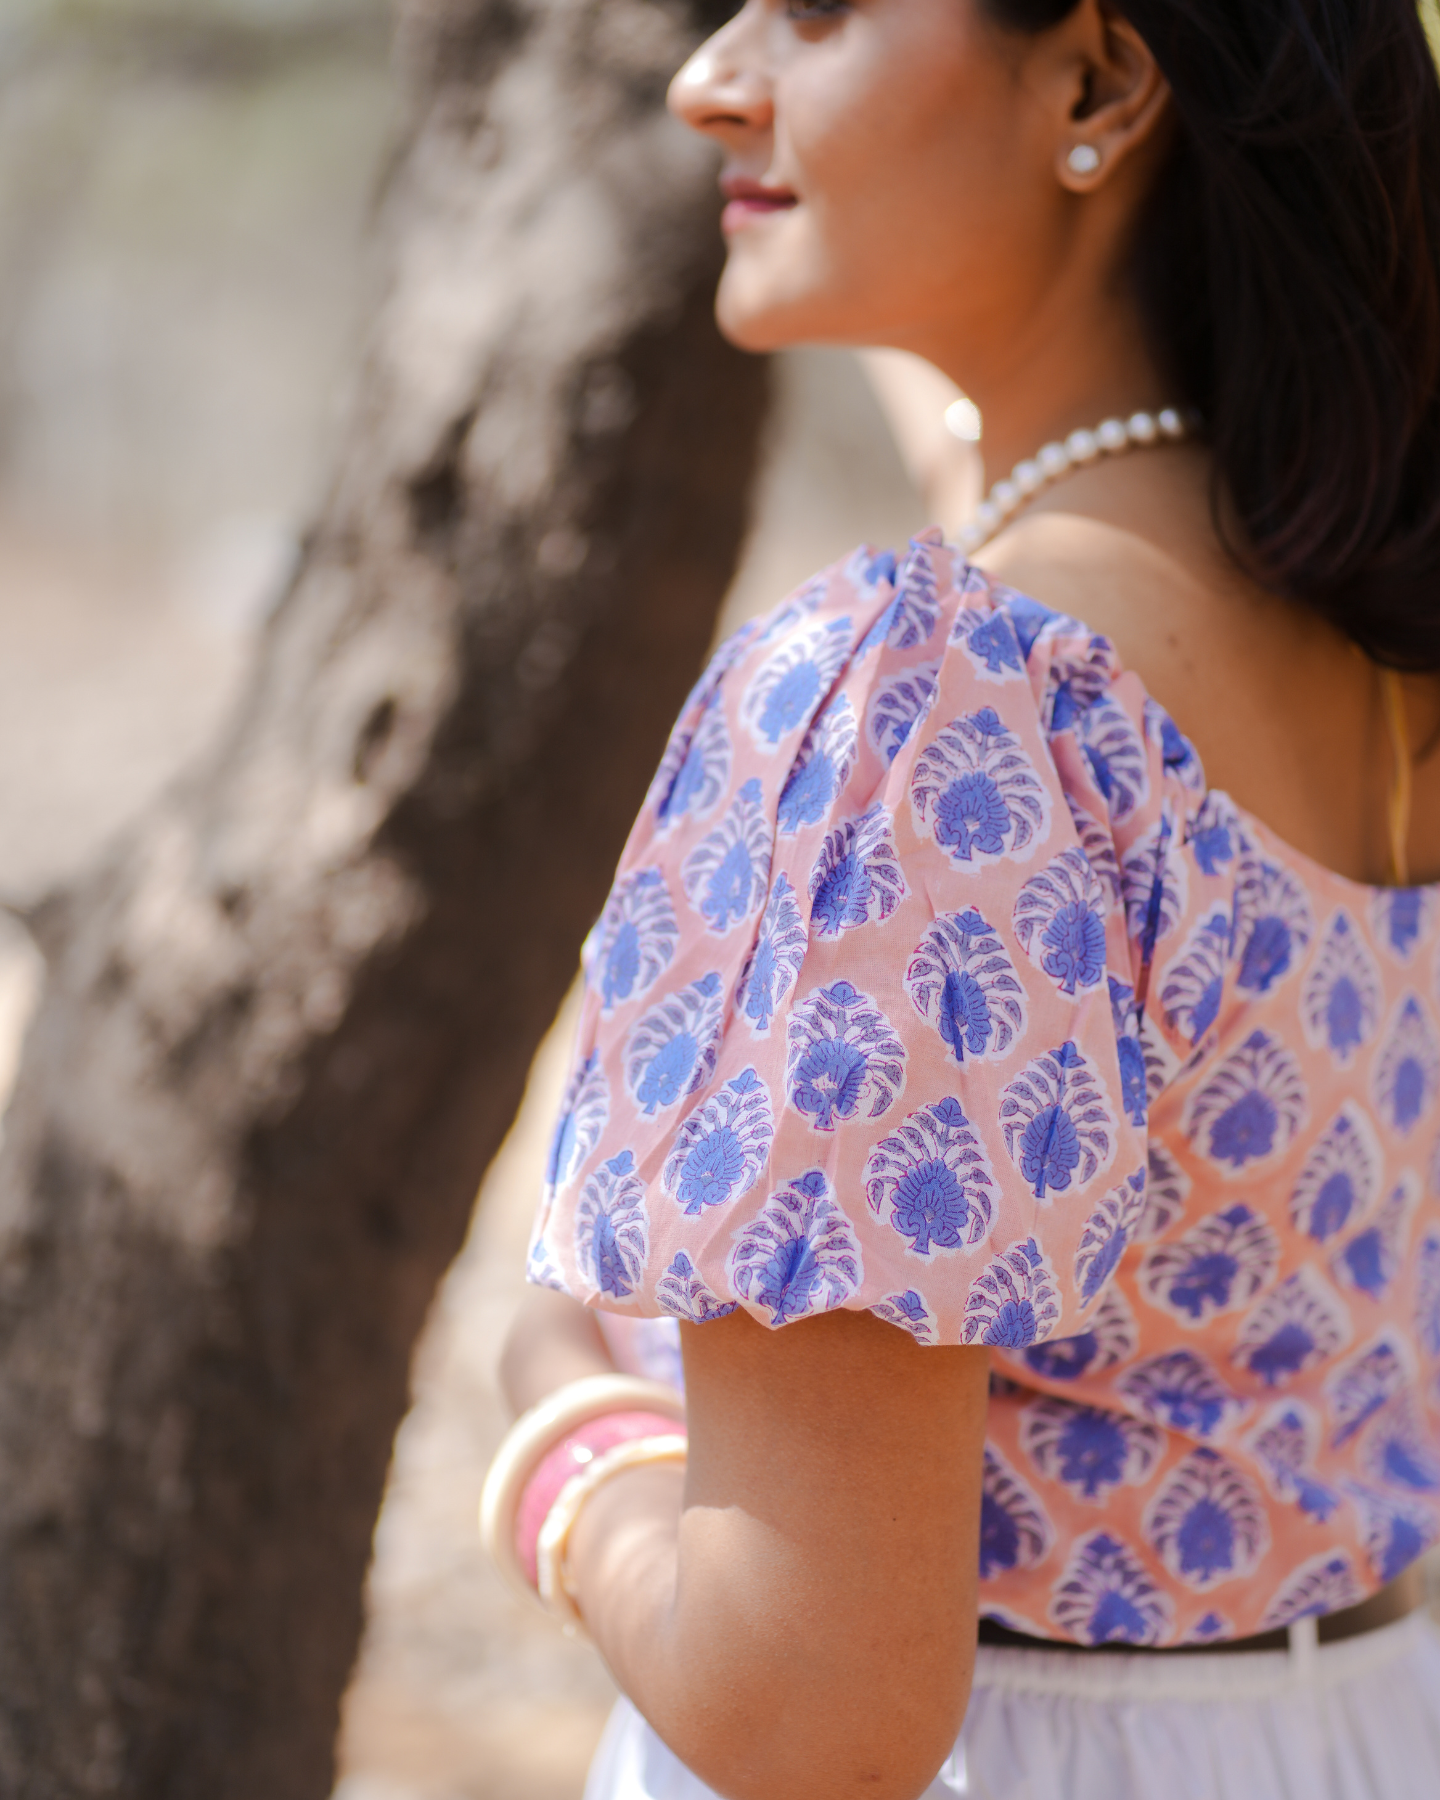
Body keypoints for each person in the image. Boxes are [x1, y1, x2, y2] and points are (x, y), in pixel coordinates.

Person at [485, 3, 1440, 1796]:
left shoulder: (919, 710)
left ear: (1095, 77)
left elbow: (809, 1713)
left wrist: (556, 1425)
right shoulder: (1365, 646)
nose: (711, 80)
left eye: (820, 10)